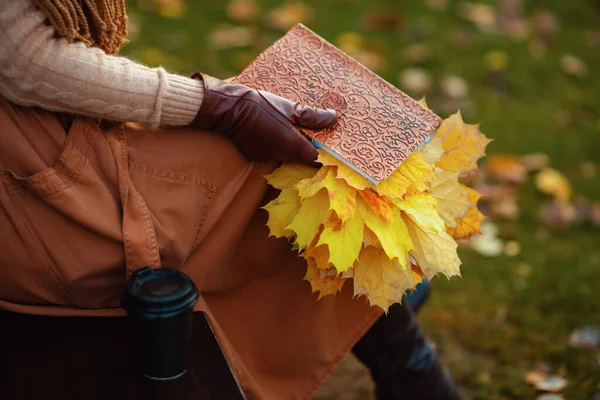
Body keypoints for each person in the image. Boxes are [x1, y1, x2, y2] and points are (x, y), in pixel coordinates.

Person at [0, 0, 460, 398]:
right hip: (35, 187)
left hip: (52, 137)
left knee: (321, 145)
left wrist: (222, 103)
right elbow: (23, 58)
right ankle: (408, 362)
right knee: (303, 167)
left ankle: (400, 345)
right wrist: (216, 103)